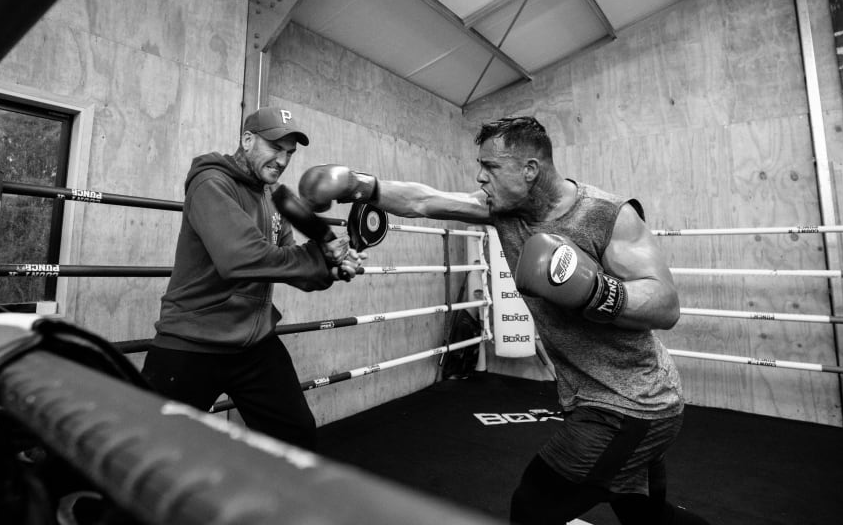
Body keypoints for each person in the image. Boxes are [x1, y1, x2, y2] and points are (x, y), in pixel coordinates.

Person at [297, 116, 709, 524]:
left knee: (532, 508)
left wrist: (593, 289)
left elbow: (665, 304)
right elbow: (424, 200)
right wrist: (359, 185)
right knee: (647, 517)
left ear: (530, 170)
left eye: (490, 167)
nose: (480, 178)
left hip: (631, 403)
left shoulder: (606, 215)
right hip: (597, 397)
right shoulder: (504, 210)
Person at [142, 106, 361, 451]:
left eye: (290, 152)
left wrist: (331, 269)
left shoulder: (274, 199)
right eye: (275, 147)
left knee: (297, 435)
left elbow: (294, 269)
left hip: (253, 344)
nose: (283, 160)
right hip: (193, 341)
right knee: (148, 447)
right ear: (247, 140)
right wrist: (315, 258)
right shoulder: (211, 184)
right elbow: (239, 258)